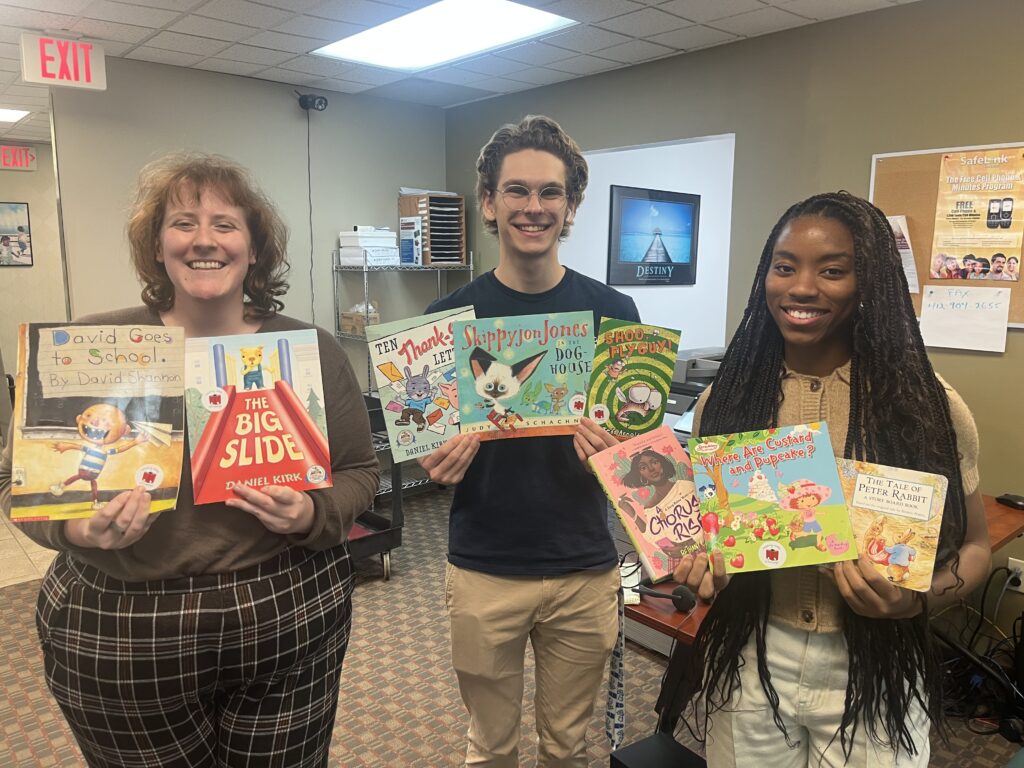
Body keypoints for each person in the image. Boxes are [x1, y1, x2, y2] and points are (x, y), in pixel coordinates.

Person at [0, 153, 380, 768]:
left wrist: (314, 512)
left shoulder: (308, 350)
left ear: (254, 249)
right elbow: (15, 480)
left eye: (225, 224)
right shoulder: (95, 344)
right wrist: (74, 529)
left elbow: (360, 471)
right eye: (183, 223)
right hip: (124, 622)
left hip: (286, 606)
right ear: (157, 246)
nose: (205, 240)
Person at [673, 192, 990, 767]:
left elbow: (976, 548)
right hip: (751, 657)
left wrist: (913, 603)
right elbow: (708, 532)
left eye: (832, 271)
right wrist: (699, 560)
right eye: (784, 266)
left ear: (869, 283)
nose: (801, 287)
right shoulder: (726, 401)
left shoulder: (927, 405)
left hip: (874, 665)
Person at [417, 115, 640, 767]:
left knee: (568, 747)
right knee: (490, 747)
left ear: (571, 205)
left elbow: (641, 455)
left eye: (550, 192)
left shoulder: (615, 312)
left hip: (583, 564)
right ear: (489, 203)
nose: (533, 206)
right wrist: (437, 460)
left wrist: (618, 453)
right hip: (484, 566)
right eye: (516, 190)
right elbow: (427, 448)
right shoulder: (444, 320)